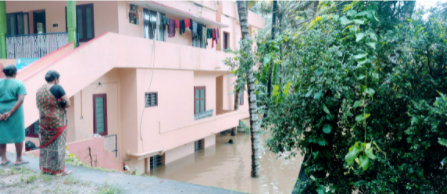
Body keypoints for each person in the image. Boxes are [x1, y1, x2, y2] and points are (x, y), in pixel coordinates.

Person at [37, 70, 72, 176]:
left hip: (44, 122)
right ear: (56, 79)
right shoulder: (58, 88)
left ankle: (45, 168)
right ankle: (59, 171)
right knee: (58, 146)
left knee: (45, 145)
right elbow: (68, 104)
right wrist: (62, 102)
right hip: (57, 122)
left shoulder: (40, 90)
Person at [0, 65, 29, 166]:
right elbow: (20, 100)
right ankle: (19, 159)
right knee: (18, 134)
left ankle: (3, 159)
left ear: (4, 73)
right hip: (15, 112)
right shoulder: (19, 83)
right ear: (15, 73)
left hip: (1, 111)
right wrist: (10, 112)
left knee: (1, 134)